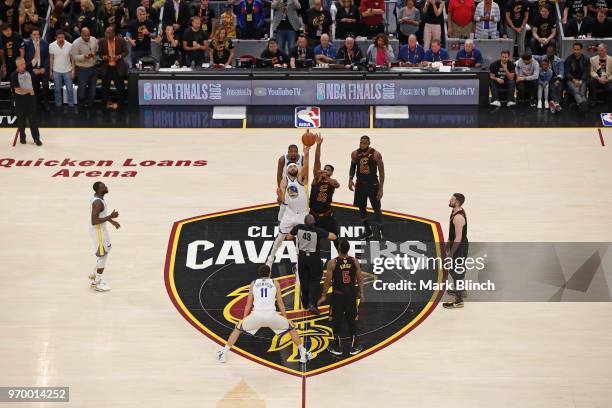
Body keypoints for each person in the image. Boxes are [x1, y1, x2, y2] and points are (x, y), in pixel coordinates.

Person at [216, 265, 313, 364]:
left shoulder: (253, 283)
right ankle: (303, 353)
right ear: (270, 273)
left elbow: (249, 303)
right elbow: (280, 302)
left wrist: (244, 319)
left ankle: (224, 352)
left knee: (237, 328)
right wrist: (285, 318)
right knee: (291, 326)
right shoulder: (275, 283)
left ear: (259, 274)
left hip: (256, 316)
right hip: (271, 316)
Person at [266, 145, 311, 268]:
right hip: (289, 213)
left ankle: (299, 264)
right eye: (290, 167)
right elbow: (281, 201)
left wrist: (306, 154)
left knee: (301, 240)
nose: (292, 168)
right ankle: (270, 259)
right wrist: (280, 196)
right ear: (287, 170)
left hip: (302, 214)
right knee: (280, 237)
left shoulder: (302, 179)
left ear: (297, 169)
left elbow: (306, 168)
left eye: (294, 166)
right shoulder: (284, 181)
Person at [317, 239, 364, 356]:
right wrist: (361, 293)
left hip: (338, 295)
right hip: (351, 295)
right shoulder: (355, 261)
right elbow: (360, 278)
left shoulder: (332, 263)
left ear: (338, 249)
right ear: (348, 249)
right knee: (352, 319)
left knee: (335, 319)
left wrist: (323, 295)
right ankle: (355, 344)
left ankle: (336, 344)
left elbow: (327, 281)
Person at [286, 214, 337, 315]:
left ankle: (305, 303)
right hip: (314, 258)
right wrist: (327, 232)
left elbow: (288, 237)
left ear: (304, 222)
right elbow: (333, 237)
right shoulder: (317, 231)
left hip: (302, 258)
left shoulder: (298, 228)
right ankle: (312, 304)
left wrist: (295, 235)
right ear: (314, 222)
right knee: (315, 280)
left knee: (304, 280)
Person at [349, 135, 385, 241]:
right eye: (361, 142)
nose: (362, 144)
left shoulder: (376, 154)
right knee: (361, 208)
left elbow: (382, 172)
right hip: (360, 184)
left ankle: (380, 231)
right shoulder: (355, 153)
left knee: (376, 208)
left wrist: (381, 188)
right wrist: (350, 179)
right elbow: (352, 167)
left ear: (369, 143)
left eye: (365, 143)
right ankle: (367, 231)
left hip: (373, 184)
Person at [89, 181, 120, 292]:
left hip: (100, 229)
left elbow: (101, 215)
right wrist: (110, 216)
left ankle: (93, 275)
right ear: (98, 189)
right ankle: (96, 283)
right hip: (98, 230)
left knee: (107, 249)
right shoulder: (98, 203)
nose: (106, 187)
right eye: (103, 186)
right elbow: (94, 221)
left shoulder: (99, 199)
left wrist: (112, 221)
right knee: (103, 255)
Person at [309, 135, 340, 241]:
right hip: (314, 215)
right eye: (325, 169)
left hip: (327, 216)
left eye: (329, 170)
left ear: (331, 173)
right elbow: (317, 160)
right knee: (313, 240)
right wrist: (318, 145)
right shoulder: (317, 178)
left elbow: (337, 185)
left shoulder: (332, 182)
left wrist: (326, 176)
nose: (326, 170)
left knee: (336, 238)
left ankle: (341, 256)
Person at [443, 193, 468, 309]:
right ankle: (460, 290)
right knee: (454, 270)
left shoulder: (458, 217)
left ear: (457, 202)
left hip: (459, 247)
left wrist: (451, 253)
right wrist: (447, 246)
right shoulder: (455, 212)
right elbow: (452, 235)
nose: (450, 200)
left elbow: (458, 238)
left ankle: (459, 300)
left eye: (452, 199)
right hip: (456, 244)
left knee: (456, 271)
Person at [10, 57, 41, 146]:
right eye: (22, 64)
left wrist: (37, 45)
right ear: (17, 65)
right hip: (20, 101)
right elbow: (17, 90)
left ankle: (36, 138)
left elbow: (35, 59)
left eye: (24, 63)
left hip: (30, 100)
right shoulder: (14, 75)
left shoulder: (27, 68)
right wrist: (29, 91)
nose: (24, 65)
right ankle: (22, 137)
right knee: (21, 121)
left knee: (33, 120)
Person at [99, 26, 128, 110]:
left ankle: (121, 105)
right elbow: (100, 53)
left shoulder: (121, 40)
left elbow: (126, 51)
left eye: (109, 33)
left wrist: (119, 56)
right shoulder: (101, 41)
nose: (107, 35)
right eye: (106, 33)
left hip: (117, 66)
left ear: (113, 34)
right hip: (106, 66)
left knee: (120, 87)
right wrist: (104, 57)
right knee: (105, 87)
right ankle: (104, 105)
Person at [71, 27, 98, 108]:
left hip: (93, 68)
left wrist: (94, 55)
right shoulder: (76, 43)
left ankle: (90, 106)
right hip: (82, 70)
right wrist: (84, 57)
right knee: (81, 92)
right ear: (81, 34)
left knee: (92, 92)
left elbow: (96, 49)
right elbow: (74, 57)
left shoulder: (93, 39)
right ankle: (81, 107)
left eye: (88, 35)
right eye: (85, 36)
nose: (87, 37)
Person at [49, 30, 75, 108]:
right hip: (56, 70)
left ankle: (71, 104)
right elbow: (51, 58)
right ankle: (58, 105)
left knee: (70, 89)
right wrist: (51, 71)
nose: (61, 39)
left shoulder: (70, 45)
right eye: (59, 37)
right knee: (57, 90)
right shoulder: (51, 45)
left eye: (62, 37)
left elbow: (72, 59)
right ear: (55, 38)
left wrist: (73, 71)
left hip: (68, 70)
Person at [25, 28, 49, 109]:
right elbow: (26, 60)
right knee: (35, 85)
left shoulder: (44, 43)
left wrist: (44, 68)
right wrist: (32, 69)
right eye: (34, 35)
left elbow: (47, 58)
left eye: (38, 34)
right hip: (33, 70)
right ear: (31, 35)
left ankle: (46, 102)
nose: (36, 36)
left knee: (45, 85)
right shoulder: (27, 45)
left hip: (43, 69)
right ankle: (37, 102)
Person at [535, 45, 564, 112]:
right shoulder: (543, 57)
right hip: (548, 77)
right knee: (551, 87)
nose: (549, 54)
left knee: (559, 87)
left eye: (551, 52)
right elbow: (533, 56)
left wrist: (558, 80)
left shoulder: (559, 61)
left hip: (557, 78)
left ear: (554, 52)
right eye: (548, 52)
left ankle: (555, 103)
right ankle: (556, 103)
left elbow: (561, 72)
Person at [564, 42, 589, 109]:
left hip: (582, 80)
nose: (576, 51)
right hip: (571, 80)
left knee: (582, 93)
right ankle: (583, 105)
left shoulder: (586, 59)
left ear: (581, 50)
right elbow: (566, 72)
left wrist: (581, 80)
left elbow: (586, 72)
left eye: (578, 49)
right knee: (576, 91)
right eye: (574, 49)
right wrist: (574, 80)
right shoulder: (569, 59)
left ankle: (581, 105)